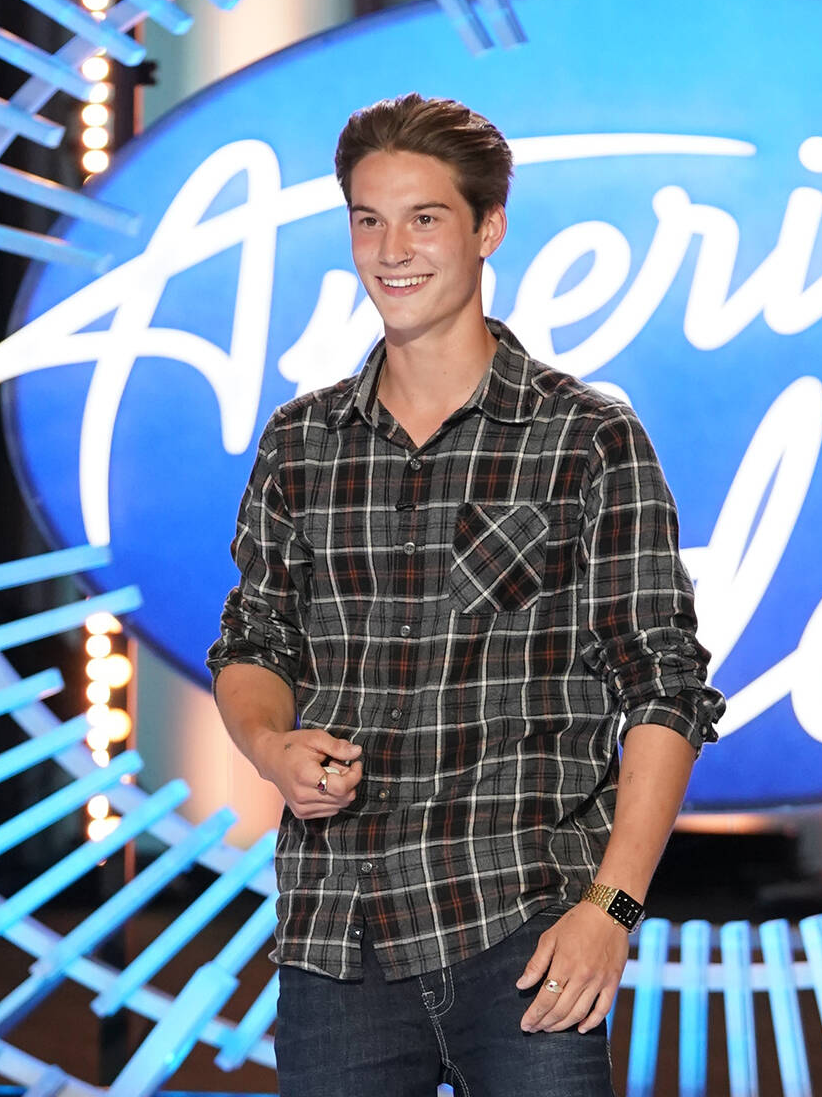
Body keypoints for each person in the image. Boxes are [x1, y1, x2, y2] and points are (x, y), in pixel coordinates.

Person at [208, 93, 724, 1097]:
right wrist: (272, 747)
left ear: (487, 229)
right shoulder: (301, 443)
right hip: (338, 938)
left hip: (523, 937)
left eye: (424, 218)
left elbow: (665, 688)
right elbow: (253, 640)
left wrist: (610, 911)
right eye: (368, 218)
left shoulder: (586, 439)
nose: (391, 248)